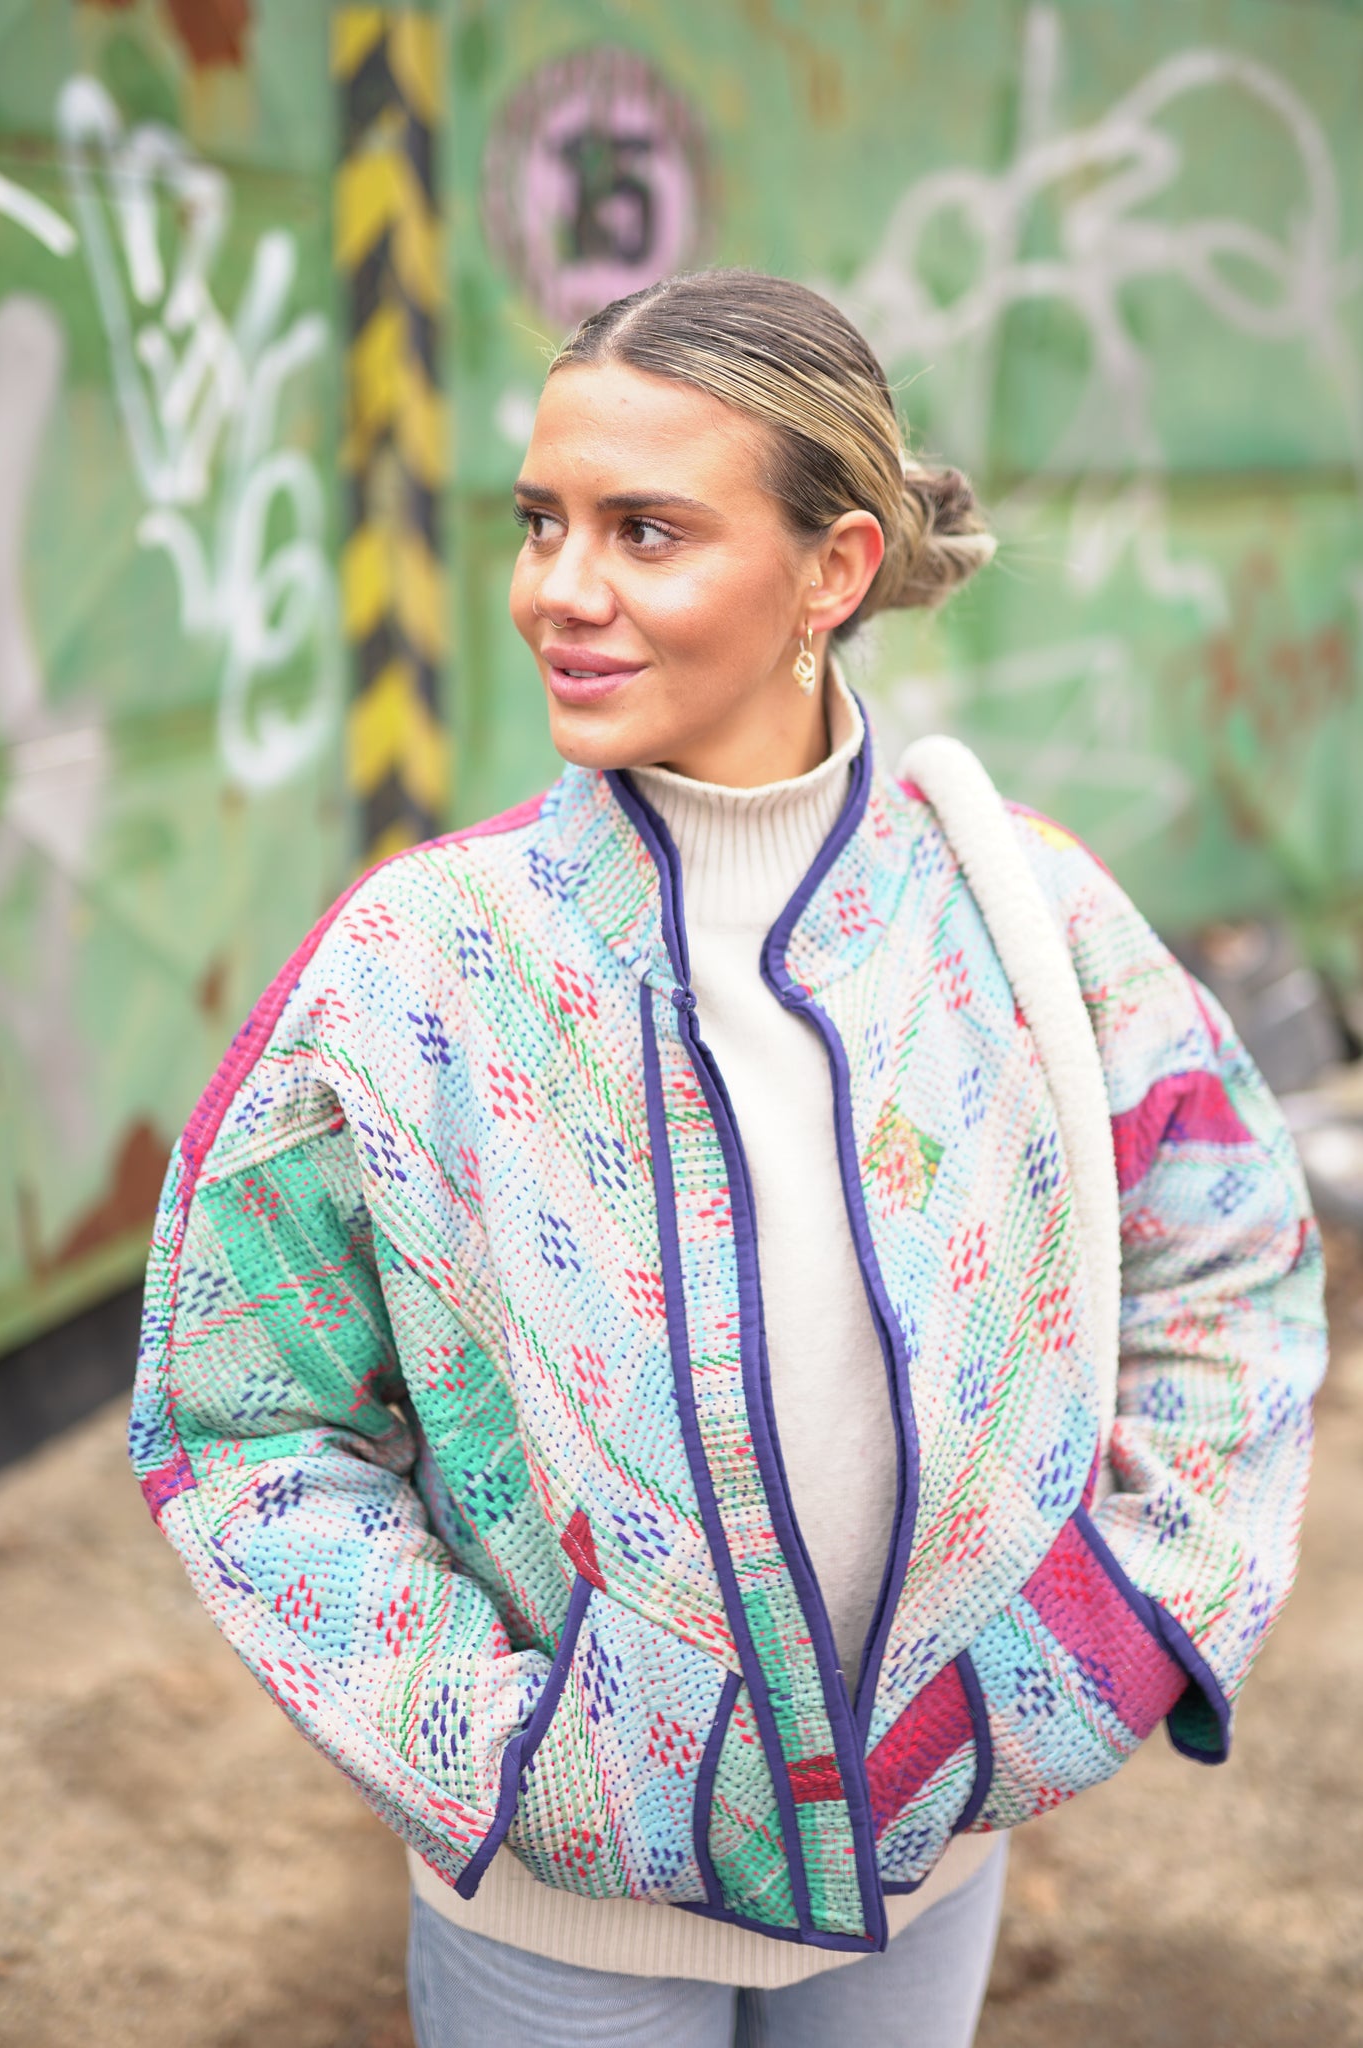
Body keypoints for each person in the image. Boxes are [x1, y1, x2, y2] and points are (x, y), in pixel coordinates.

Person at [129, 270, 1325, 2048]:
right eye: (541, 520)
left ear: (832, 572)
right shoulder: (414, 969)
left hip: (928, 1873)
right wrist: (516, 1753)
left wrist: (1095, 1643)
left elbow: (1228, 1263)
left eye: (646, 530)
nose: (560, 588)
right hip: (559, 1923)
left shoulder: (1026, 916)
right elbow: (242, 1415)